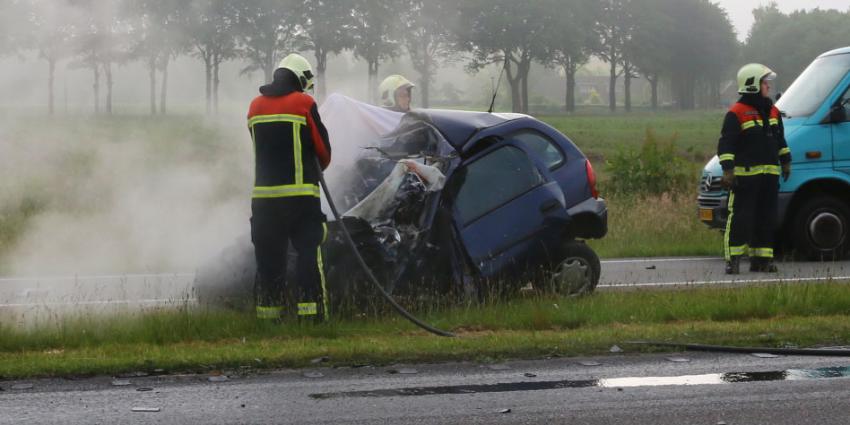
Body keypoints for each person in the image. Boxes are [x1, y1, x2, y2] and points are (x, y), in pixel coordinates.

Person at [247, 53, 332, 321]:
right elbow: (324, 153)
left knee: (269, 262)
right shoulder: (304, 102)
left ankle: (269, 321)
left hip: (263, 201)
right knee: (308, 257)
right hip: (301, 198)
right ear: (302, 79)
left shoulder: (254, 107)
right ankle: (313, 318)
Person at [717, 63, 792, 274]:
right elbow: (726, 144)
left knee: (767, 218)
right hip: (745, 178)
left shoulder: (773, 111)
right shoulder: (737, 113)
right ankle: (733, 259)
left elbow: (780, 139)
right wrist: (728, 170)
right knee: (741, 217)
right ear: (752, 85)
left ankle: (762, 260)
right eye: (764, 82)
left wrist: (786, 160)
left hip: (769, 177)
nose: (768, 85)